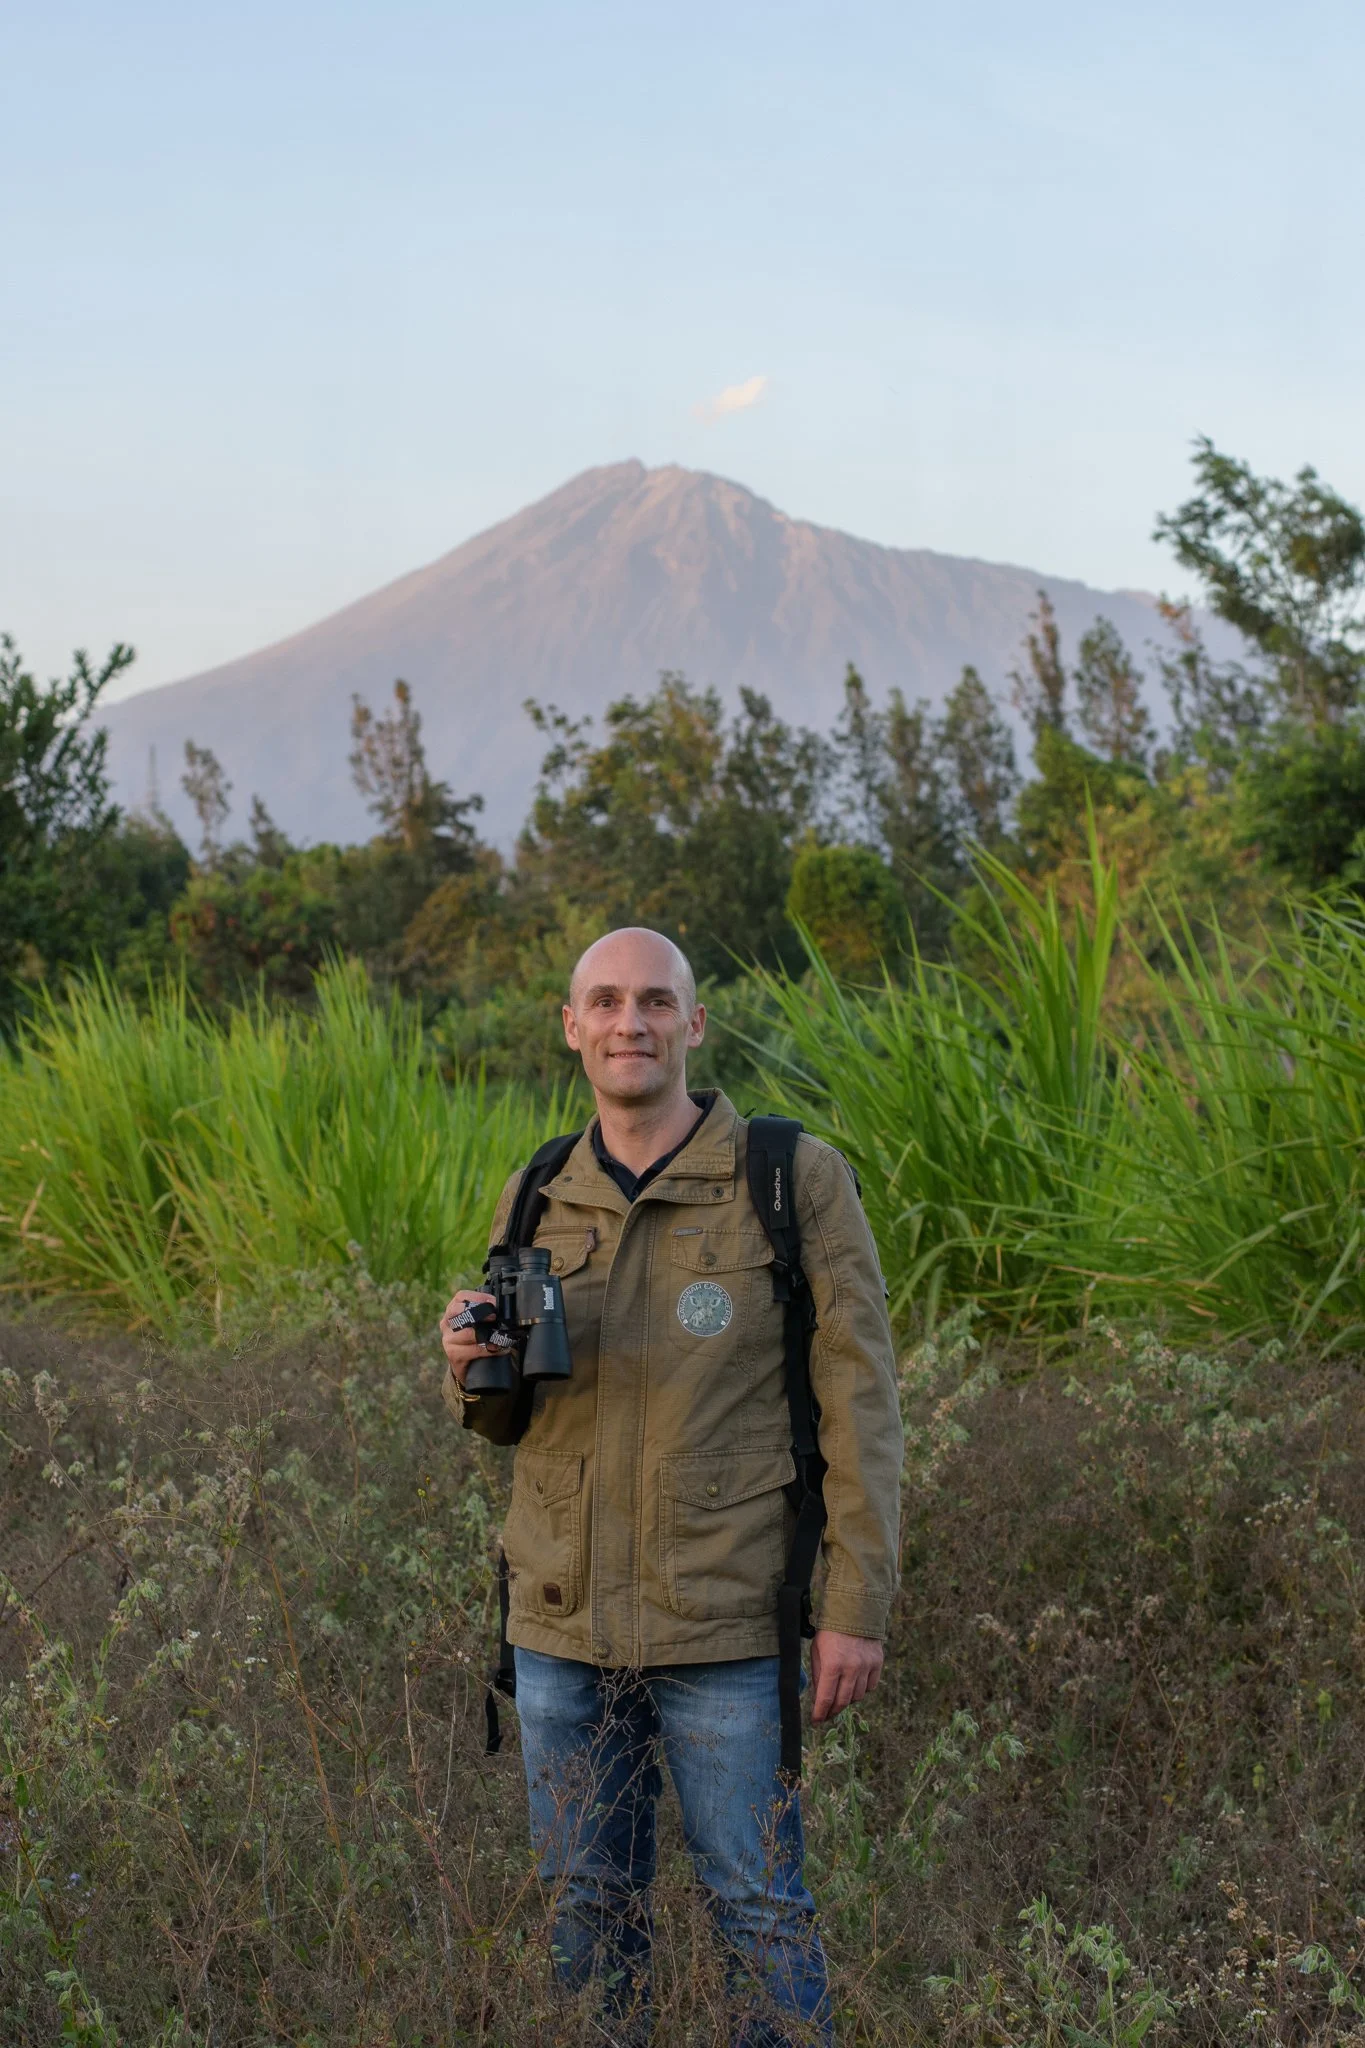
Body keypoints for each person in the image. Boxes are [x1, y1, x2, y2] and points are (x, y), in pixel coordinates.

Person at [440, 927, 903, 2046]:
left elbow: (864, 1405)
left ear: (694, 1023)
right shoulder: (540, 1186)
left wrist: (855, 1607)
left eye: (654, 1001)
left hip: (727, 1628)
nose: (628, 1022)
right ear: (571, 1025)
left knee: (758, 1912)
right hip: (560, 1626)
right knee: (587, 1914)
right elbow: (508, 1417)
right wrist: (468, 1367)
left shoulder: (789, 1178)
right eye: (604, 1001)